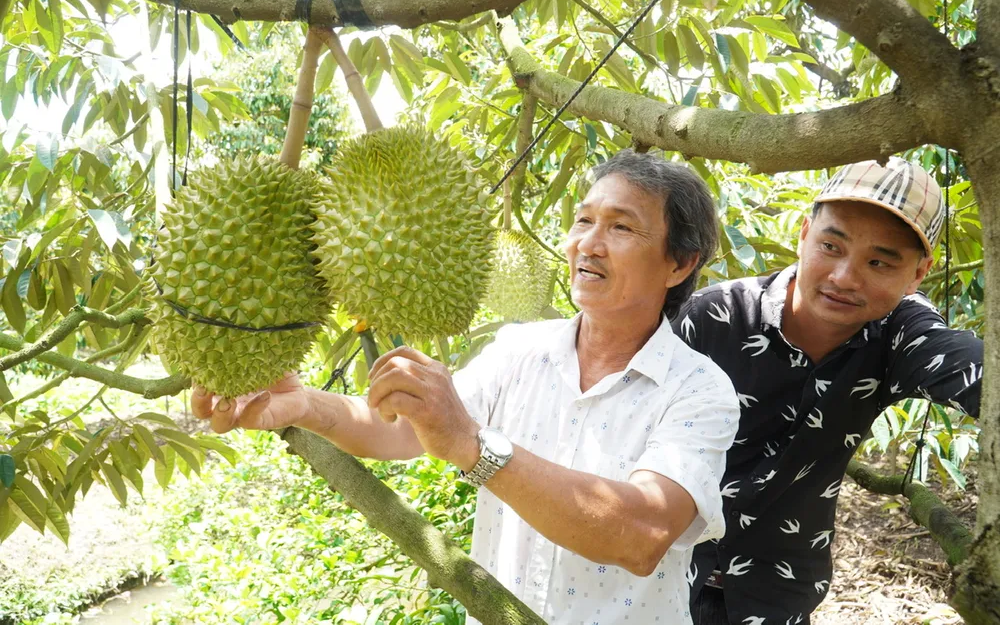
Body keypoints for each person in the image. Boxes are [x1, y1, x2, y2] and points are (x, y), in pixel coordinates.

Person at [190, 150, 741, 624]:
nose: (588, 244)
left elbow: (641, 534)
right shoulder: (520, 349)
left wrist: (472, 446)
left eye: (621, 228)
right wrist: (305, 404)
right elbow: (402, 433)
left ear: (680, 264)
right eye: (582, 221)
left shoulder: (697, 390)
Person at [672, 158, 983, 625]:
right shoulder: (717, 316)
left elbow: (968, 367)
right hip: (661, 577)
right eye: (831, 246)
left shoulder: (898, 335)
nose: (844, 277)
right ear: (803, 233)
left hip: (777, 595)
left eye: (879, 261)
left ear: (918, 274)